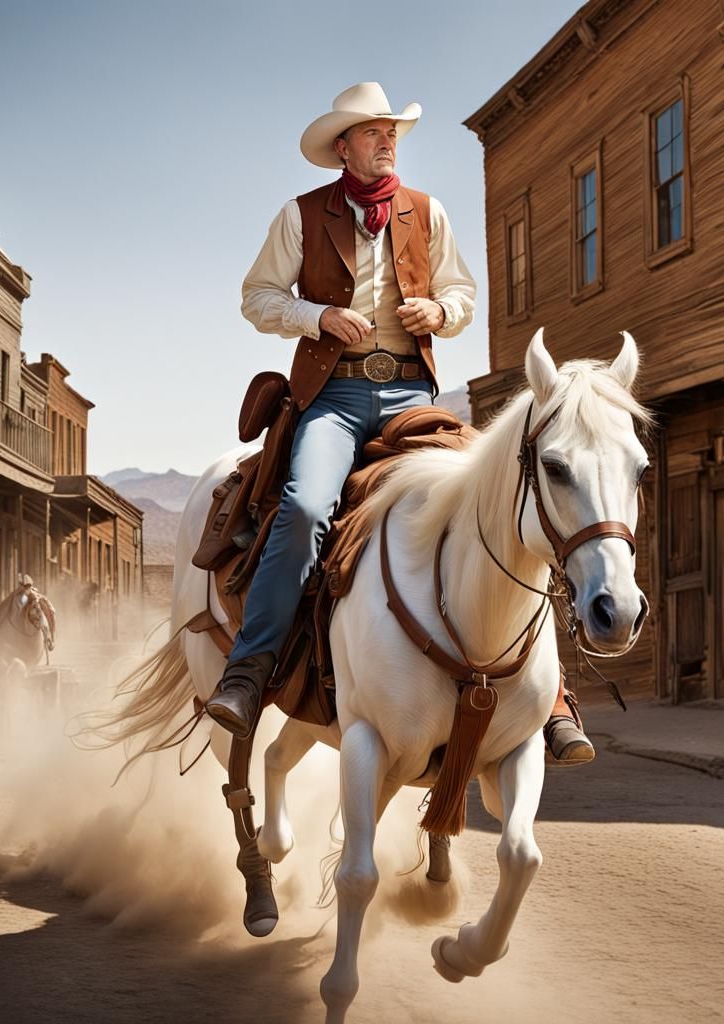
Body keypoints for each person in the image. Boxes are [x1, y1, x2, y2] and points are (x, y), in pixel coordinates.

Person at [204, 83, 594, 767]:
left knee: (506, 494)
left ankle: (554, 697)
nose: (387, 142)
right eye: (372, 132)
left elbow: (463, 294)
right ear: (343, 148)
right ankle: (249, 668)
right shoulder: (300, 217)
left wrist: (438, 315)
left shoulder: (427, 212)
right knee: (302, 507)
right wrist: (317, 318)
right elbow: (257, 298)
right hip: (337, 394)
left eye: (391, 132)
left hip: (413, 395)